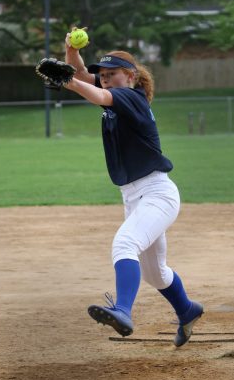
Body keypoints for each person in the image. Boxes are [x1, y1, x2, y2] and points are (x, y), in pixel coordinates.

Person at [63, 31, 203, 347]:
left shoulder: (130, 97)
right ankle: (187, 310)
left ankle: (123, 311)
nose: (105, 80)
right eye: (104, 75)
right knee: (156, 274)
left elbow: (92, 91)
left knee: (125, 243)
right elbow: (85, 77)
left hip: (156, 193)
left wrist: (68, 81)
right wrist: (71, 51)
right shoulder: (118, 95)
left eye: (111, 74)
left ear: (131, 76)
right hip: (134, 197)